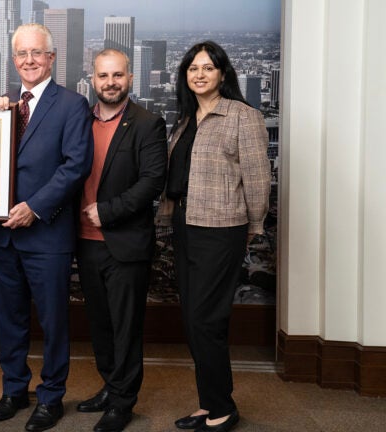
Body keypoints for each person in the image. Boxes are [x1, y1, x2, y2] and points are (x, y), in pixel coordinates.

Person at [156, 40, 271, 432]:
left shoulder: (243, 116)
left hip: (223, 230)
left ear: (223, 73)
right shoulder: (186, 119)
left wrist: (253, 227)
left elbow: (258, 179)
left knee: (207, 319)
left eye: (208, 68)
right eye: (193, 69)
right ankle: (209, 403)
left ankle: (223, 407)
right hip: (185, 225)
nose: (199, 75)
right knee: (193, 318)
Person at [0, 23, 93, 432]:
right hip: (5, 234)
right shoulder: (2, 103)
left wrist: (34, 207)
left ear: (51, 58)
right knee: (9, 319)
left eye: (37, 53)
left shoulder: (71, 105)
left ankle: (50, 397)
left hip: (47, 233)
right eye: (21, 54)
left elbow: (75, 166)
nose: (29, 60)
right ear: (14, 60)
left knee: (52, 322)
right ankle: (14, 390)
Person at [75, 49, 167, 432]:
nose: (110, 82)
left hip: (124, 242)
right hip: (84, 241)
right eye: (102, 76)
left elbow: (151, 183)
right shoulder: (80, 119)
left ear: (130, 78)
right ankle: (110, 387)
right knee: (100, 324)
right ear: (91, 80)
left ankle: (123, 402)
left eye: (117, 75)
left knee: (126, 326)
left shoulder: (147, 123)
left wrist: (107, 211)